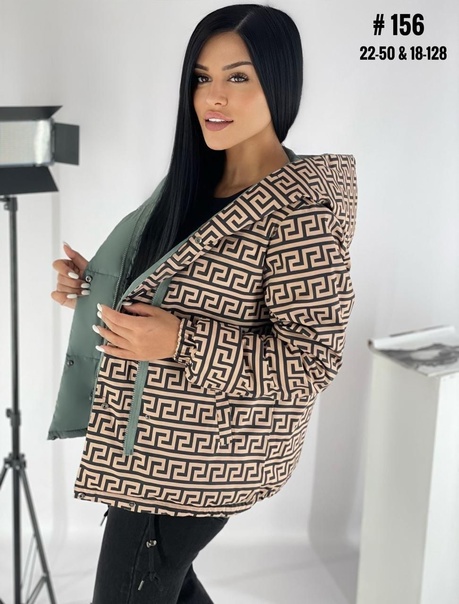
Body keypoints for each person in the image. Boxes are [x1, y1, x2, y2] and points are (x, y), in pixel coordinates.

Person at [48, 4, 358, 603]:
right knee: (167, 588)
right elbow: (172, 285)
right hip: (146, 439)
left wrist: (181, 342)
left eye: (238, 77)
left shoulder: (301, 211)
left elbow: (311, 362)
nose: (213, 97)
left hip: (203, 457)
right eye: (201, 77)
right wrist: (96, 289)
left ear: (280, 83)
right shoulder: (196, 181)